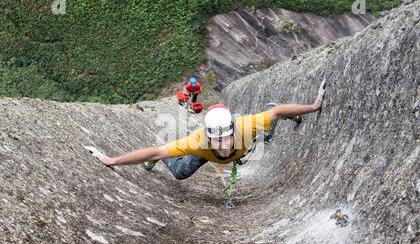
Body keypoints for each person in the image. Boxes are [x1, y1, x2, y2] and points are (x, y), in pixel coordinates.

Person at [85, 80, 327, 180]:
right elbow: (153, 151)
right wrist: (111, 160)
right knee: (180, 173)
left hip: (247, 130)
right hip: (204, 151)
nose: (222, 146)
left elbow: (277, 112)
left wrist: (314, 105)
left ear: (233, 132)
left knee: (270, 118)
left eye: (225, 139)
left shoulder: (244, 126)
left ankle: (276, 124)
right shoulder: (199, 142)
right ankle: (165, 164)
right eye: (216, 141)